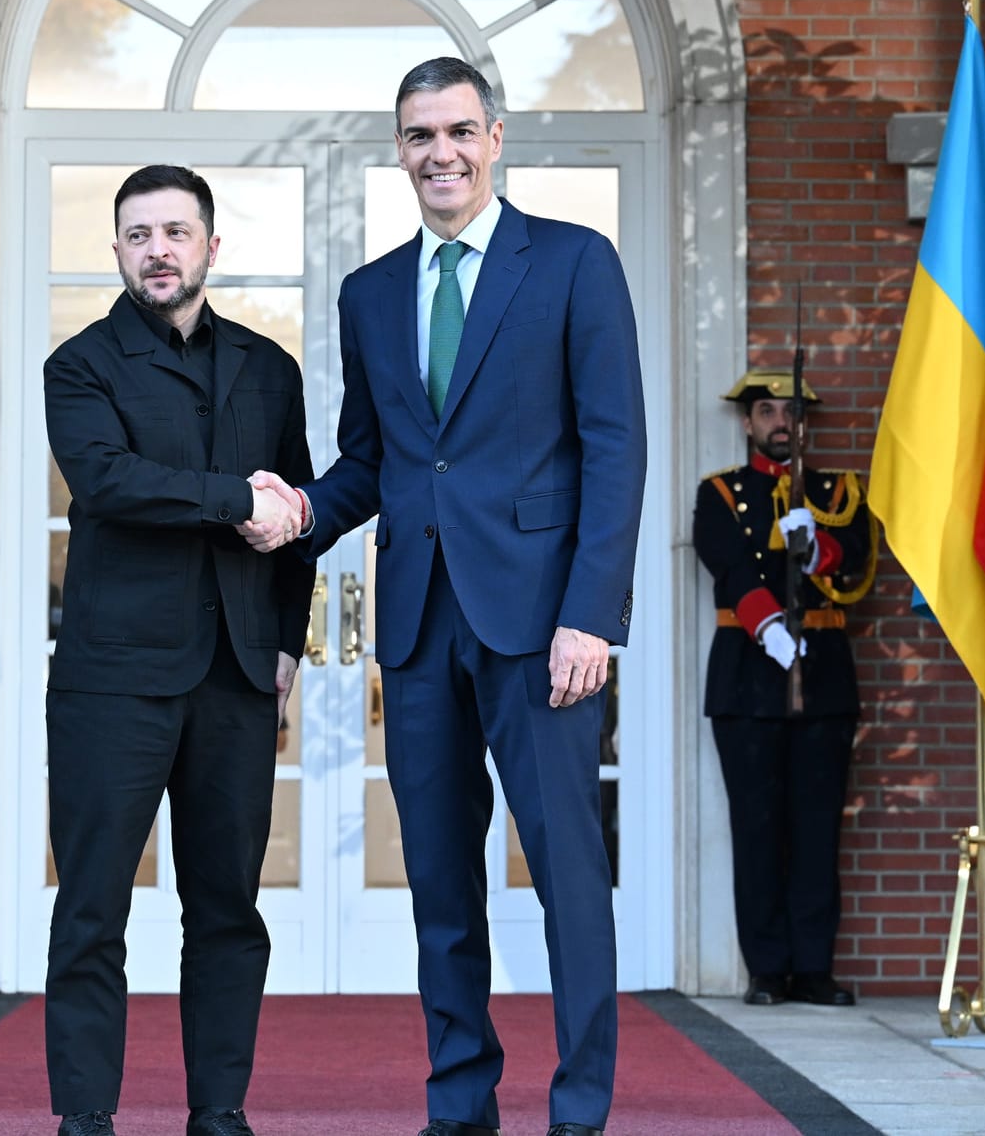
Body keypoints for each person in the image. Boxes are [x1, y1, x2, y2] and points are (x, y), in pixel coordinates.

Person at [254, 58, 645, 1136]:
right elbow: (374, 461)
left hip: (540, 627)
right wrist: (292, 511)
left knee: (567, 872)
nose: (441, 152)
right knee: (438, 882)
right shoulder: (370, 293)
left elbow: (614, 446)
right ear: (398, 149)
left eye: (459, 131)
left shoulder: (571, 264)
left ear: (495, 137)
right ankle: (460, 1104)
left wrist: (592, 615)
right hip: (419, 627)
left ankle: (578, 1108)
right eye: (420, 134)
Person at [42, 165, 313, 1136]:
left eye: (175, 231)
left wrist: (286, 643)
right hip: (112, 681)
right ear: (115, 251)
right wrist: (235, 497)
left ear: (209, 245)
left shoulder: (268, 370)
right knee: (91, 911)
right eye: (138, 234)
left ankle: (220, 1113)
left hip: (237, 677)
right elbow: (110, 483)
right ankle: (84, 1118)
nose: (157, 249)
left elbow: (300, 517)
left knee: (228, 911)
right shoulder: (77, 367)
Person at [692, 370, 876, 1008]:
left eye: (791, 412)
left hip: (823, 674)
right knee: (758, 827)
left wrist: (818, 546)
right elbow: (727, 561)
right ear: (748, 423)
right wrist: (768, 625)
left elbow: (859, 558)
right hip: (749, 676)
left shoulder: (839, 492)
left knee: (818, 828)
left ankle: (814, 969)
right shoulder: (720, 492)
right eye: (767, 411)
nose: (779, 422)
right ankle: (767, 969)